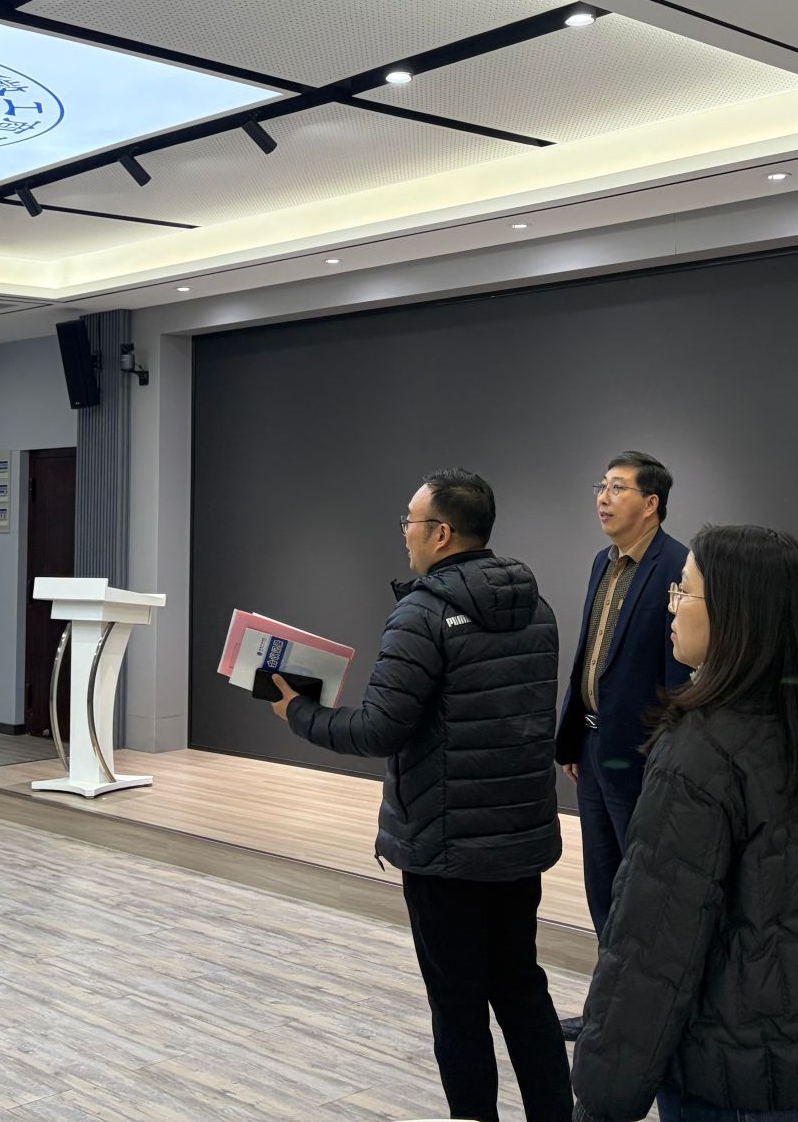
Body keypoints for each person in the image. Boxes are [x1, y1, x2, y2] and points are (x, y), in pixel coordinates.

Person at [270, 468, 569, 1122]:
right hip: (518, 842)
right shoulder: (537, 609)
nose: (404, 533)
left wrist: (299, 712)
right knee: (521, 988)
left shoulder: (422, 614)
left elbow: (380, 728)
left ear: (441, 533)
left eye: (410, 521)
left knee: (458, 1003)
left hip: (444, 846)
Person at [570, 524, 798, 1122]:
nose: (671, 607)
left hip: (734, 1079)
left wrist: (603, 1095)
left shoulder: (700, 752)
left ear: (735, 615)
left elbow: (653, 943)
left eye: (684, 592)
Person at [552, 451, 691, 1039]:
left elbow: (678, 677)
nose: (603, 498)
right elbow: (592, 654)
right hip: (592, 750)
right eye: (601, 487)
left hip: (639, 758)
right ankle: (609, 1012)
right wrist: (571, 738)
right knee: (602, 888)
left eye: (617, 488)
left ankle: (645, 1020)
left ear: (651, 503)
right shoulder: (601, 563)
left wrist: (664, 758)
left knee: (644, 894)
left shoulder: (678, 566)